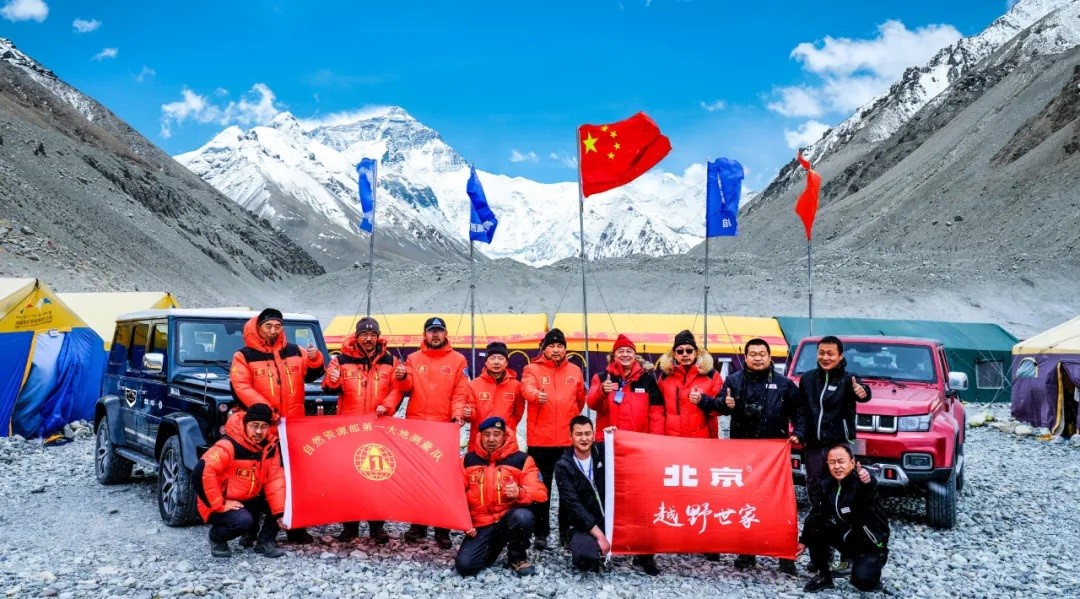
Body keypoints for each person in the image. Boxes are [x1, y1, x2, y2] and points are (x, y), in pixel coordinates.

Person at [700, 337, 804, 574]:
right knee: (745, 502)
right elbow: (719, 407)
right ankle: (746, 552)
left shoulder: (784, 384)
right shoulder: (733, 380)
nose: (758, 358)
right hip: (743, 452)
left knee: (778, 504)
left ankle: (784, 555)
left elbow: (799, 412)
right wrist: (725, 404)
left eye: (762, 354)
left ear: (769, 357)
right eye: (753, 354)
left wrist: (799, 432)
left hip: (773, 455)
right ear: (745, 357)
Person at [229, 307, 324, 544]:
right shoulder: (244, 356)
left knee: (293, 479)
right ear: (258, 327)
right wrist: (267, 412)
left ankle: (295, 528)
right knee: (257, 480)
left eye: (278, 326)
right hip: (263, 429)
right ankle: (250, 531)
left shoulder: (295, 351)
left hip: (292, 428)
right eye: (268, 326)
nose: (273, 330)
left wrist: (314, 359)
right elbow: (241, 386)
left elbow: (313, 375)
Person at [321, 316, 402, 544]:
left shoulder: (391, 361)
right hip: (350, 429)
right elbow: (328, 387)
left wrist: (387, 406)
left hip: (379, 427)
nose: (368, 338)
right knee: (349, 478)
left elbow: (398, 388)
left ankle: (377, 526)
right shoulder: (340, 360)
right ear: (356, 337)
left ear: (378, 337)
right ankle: (350, 526)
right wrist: (332, 378)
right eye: (364, 335)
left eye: (372, 335)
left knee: (378, 476)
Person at [555, 416, 663, 576]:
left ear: (593, 435)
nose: (584, 438)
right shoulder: (563, 466)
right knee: (585, 559)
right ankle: (593, 547)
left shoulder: (604, 451)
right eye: (579, 434)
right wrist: (599, 535)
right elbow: (573, 504)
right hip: (586, 523)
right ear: (570, 436)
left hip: (615, 517)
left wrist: (616, 437)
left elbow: (630, 452)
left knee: (645, 514)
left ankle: (644, 557)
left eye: (587, 433)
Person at [397, 316, 470, 549]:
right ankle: (418, 524)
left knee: (443, 479)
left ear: (445, 334)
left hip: (442, 428)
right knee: (417, 478)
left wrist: (457, 414)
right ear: (425, 334)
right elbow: (406, 387)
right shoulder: (413, 358)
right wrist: (401, 377)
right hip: (417, 427)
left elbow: (461, 391)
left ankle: (442, 528)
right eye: (431, 331)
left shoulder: (458, 360)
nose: (435, 334)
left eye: (439, 331)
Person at [456, 417, 547, 577]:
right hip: (480, 524)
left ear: (505, 436)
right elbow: (455, 496)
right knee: (465, 567)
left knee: (523, 517)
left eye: (496, 434)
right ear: (480, 436)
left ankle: (517, 556)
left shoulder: (522, 460)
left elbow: (541, 493)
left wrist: (520, 492)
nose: (491, 439)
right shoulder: (467, 460)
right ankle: (495, 544)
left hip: (508, 519)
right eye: (487, 434)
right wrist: (464, 522)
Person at [521, 328, 586, 550]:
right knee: (541, 488)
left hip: (567, 442)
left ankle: (565, 532)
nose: (556, 349)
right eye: (552, 345)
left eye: (560, 346)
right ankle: (541, 532)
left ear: (565, 349)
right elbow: (526, 388)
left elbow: (580, 400)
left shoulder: (575, 370)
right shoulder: (531, 368)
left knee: (568, 490)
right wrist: (535, 395)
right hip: (540, 441)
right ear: (544, 348)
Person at [194, 404, 286, 559]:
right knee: (243, 521)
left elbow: (275, 479)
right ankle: (217, 537)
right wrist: (219, 504)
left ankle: (264, 542)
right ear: (245, 424)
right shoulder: (228, 445)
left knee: (284, 504)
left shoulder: (270, 447)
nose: (259, 431)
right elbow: (201, 472)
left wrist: (280, 513)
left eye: (264, 426)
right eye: (254, 425)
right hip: (218, 501)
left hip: (249, 497)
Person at [798, 444, 890, 593]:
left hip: (871, 545)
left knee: (862, 583)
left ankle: (867, 568)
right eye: (832, 462)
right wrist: (803, 541)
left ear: (852, 463)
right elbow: (817, 514)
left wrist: (868, 479)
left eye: (841, 461)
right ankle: (824, 576)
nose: (837, 466)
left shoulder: (861, 483)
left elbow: (870, 488)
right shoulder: (827, 485)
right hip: (847, 541)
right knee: (815, 523)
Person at [798, 335, 871, 509]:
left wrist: (863, 391)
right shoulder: (807, 378)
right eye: (821, 353)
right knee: (814, 483)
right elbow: (800, 410)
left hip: (839, 443)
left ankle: (841, 514)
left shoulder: (848, 379)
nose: (825, 357)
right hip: (813, 444)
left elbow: (863, 393)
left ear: (840, 356)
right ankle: (819, 514)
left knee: (842, 482)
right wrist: (800, 433)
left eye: (830, 354)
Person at [586, 334, 664, 445]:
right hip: (608, 441)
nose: (625, 354)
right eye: (621, 351)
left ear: (635, 355)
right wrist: (601, 391)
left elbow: (656, 413)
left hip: (639, 442)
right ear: (613, 356)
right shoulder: (601, 378)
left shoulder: (648, 380)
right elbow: (591, 403)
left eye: (629, 351)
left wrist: (656, 440)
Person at [655, 330, 724, 438]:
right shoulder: (664, 377)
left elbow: (720, 408)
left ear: (696, 352)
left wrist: (704, 401)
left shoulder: (711, 376)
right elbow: (658, 410)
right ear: (674, 355)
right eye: (680, 351)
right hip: (672, 439)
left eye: (689, 350)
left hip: (702, 438)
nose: (685, 354)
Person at [465, 341, 525, 453]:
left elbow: (517, 414)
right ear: (486, 362)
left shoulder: (516, 386)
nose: (496, 362)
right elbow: (471, 414)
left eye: (500, 358)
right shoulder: (473, 385)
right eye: (492, 358)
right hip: (479, 442)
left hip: (506, 442)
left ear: (506, 362)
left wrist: (508, 426)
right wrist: (468, 414)